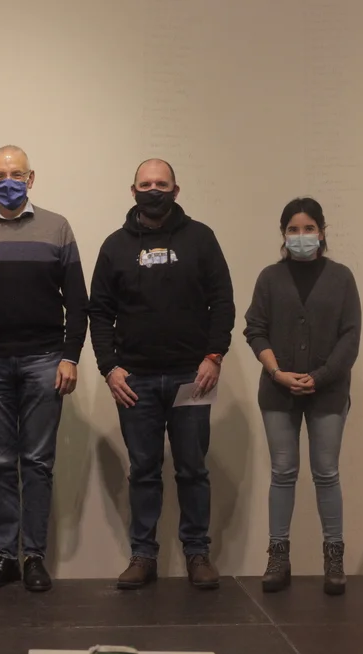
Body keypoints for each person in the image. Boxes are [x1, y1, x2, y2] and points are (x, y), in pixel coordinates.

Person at [0, 145, 89, 592]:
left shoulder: (57, 227)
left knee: (38, 462)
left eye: (17, 174)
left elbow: (78, 301)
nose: (8, 182)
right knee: (0, 463)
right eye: (0, 175)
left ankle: (34, 557)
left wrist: (70, 356)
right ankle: (6, 556)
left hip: (44, 360)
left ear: (31, 178)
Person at [88, 159, 235, 591]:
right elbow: (99, 312)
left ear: (176, 189)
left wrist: (214, 356)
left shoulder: (201, 238)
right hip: (135, 380)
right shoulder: (115, 246)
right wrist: (109, 368)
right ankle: (143, 556)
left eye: (162, 183)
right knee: (143, 471)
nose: (154, 190)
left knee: (192, 469)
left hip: (193, 376)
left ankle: (197, 553)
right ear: (133, 190)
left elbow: (222, 300)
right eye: (146, 183)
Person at [243, 197, 361, 596]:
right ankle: (278, 557)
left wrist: (320, 377)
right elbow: (255, 328)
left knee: (326, 472)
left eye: (308, 228)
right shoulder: (269, 278)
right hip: (277, 392)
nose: (301, 236)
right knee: (283, 472)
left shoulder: (341, 278)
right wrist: (277, 372)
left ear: (322, 232)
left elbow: (350, 336)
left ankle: (334, 558)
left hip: (329, 392)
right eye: (293, 229)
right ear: (283, 234)